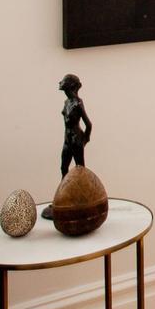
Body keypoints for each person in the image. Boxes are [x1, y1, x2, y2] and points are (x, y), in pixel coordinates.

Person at [40, 74, 93, 220]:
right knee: (64, 168)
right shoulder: (66, 102)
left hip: (76, 140)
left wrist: (85, 139)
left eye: (63, 81)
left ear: (70, 85)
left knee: (80, 171)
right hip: (67, 140)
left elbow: (89, 124)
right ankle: (63, 198)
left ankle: (83, 201)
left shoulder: (77, 103)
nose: (60, 82)